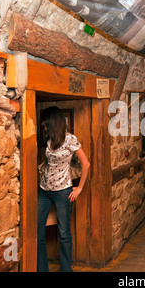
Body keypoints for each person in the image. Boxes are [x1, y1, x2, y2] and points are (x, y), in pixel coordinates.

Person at [37, 106, 90, 272]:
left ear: (52, 121)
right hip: (44, 190)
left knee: (64, 234)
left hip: (63, 192)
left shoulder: (70, 139)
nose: (42, 125)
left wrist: (79, 188)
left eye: (44, 122)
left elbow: (86, 164)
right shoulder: (49, 139)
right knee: (37, 232)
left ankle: (66, 270)